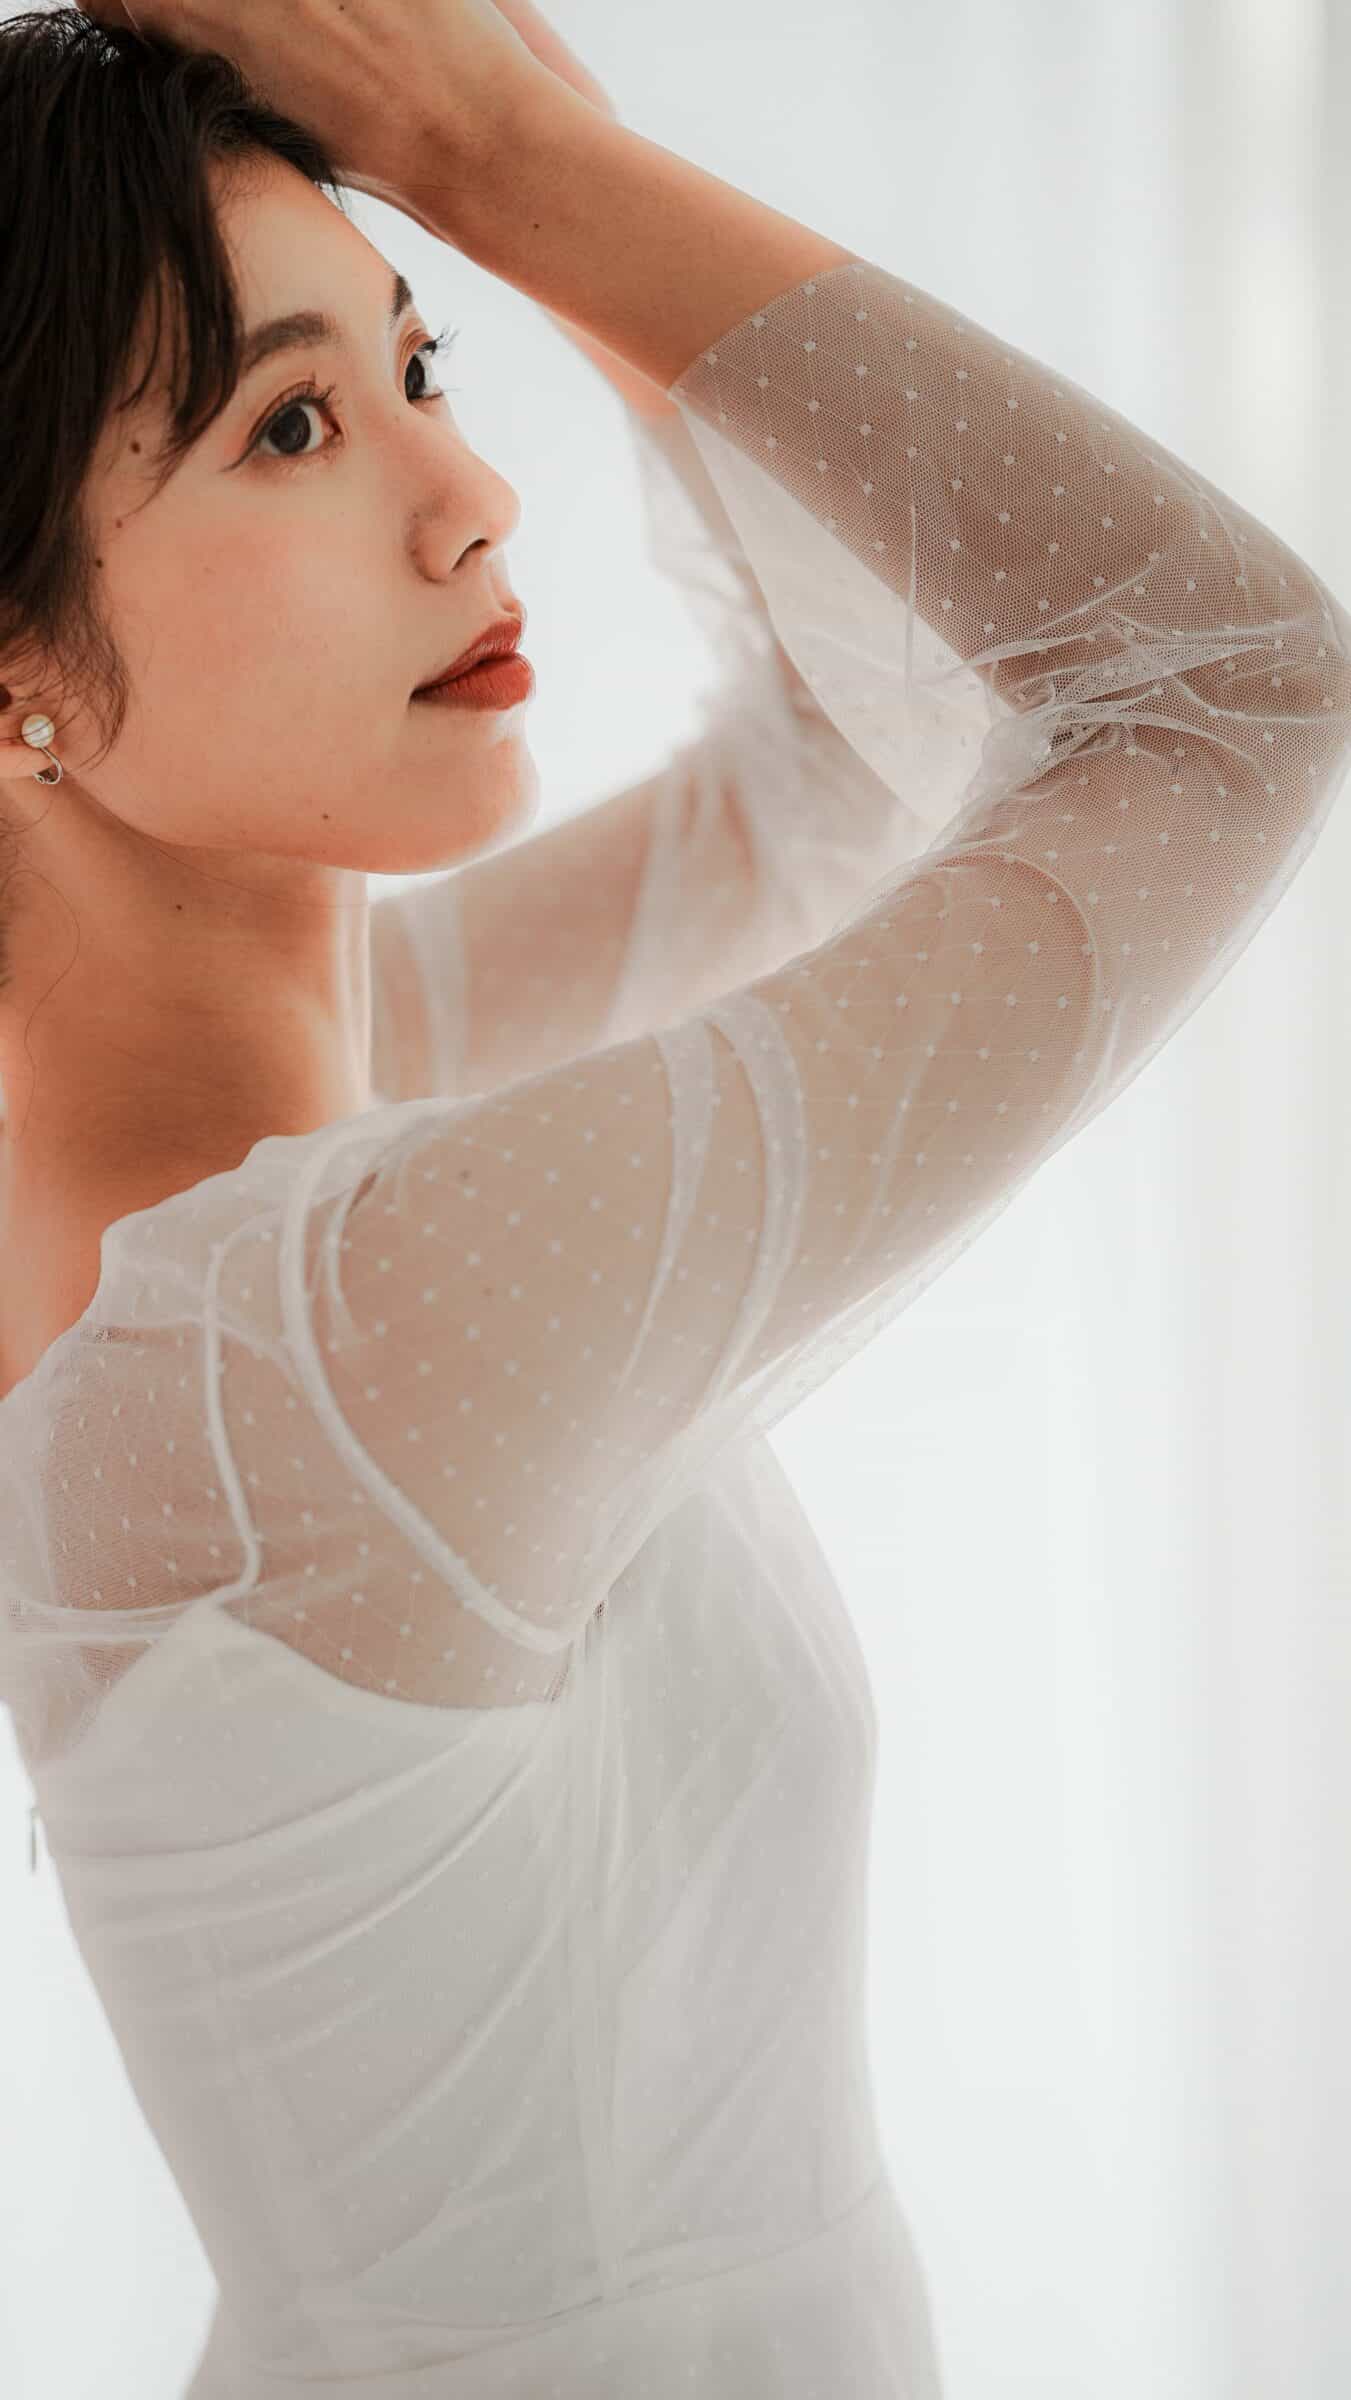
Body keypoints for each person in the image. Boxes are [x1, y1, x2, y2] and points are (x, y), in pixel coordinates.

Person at [2, 6, 1349, 2394]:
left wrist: (555, 161)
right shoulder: (323, 1332)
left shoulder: (272, 1165)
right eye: (291, 425)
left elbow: (833, 765)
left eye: (422, 365)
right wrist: (500, 157)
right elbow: (1227, 686)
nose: (471, 497)